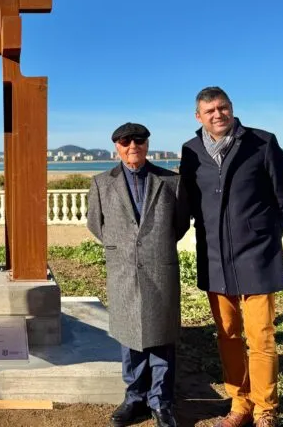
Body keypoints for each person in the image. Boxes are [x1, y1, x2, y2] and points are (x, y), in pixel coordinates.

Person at [179, 87, 283, 427]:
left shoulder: (262, 142)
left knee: (261, 335)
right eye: (210, 110)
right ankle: (239, 403)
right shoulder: (191, 150)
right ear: (198, 116)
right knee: (227, 335)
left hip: (257, 256)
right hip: (214, 257)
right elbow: (187, 201)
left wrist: (266, 235)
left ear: (231, 109)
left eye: (223, 107)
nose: (218, 114)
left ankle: (265, 408)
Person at [87, 122, 189, 427]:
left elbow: (180, 224)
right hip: (123, 271)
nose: (133, 146)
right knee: (129, 337)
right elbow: (96, 224)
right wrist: (122, 247)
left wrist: (153, 247)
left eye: (139, 140)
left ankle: (161, 402)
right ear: (116, 147)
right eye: (125, 141)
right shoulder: (102, 183)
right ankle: (134, 399)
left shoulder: (171, 181)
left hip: (160, 268)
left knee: (162, 337)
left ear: (147, 144)